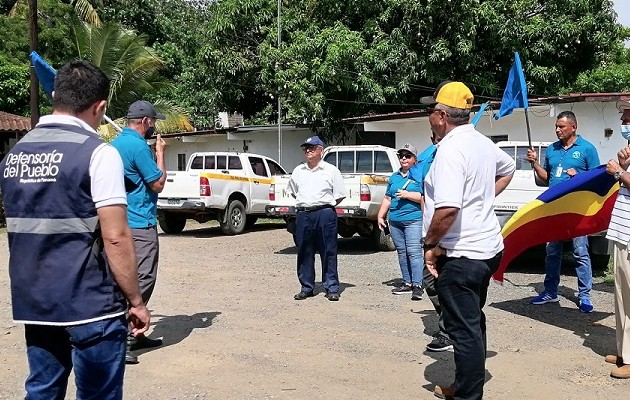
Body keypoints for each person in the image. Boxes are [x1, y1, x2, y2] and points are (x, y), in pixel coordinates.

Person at [0, 60, 150, 399]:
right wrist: (136, 301)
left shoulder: (15, 155)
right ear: (100, 107)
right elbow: (116, 235)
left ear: (55, 96)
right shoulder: (97, 153)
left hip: (35, 303)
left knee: (42, 389)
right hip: (89, 305)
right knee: (98, 393)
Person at [421, 81, 515, 400]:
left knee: (463, 330)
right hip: (485, 251)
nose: (430, 116)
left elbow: (447, 209)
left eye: (432, 110)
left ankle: (467, 396)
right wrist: (482, 199)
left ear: (442, 116)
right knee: (472, 321)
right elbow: (509, 168)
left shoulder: (450, 150)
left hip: (462, 256)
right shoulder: (480, 142)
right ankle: (465, 385)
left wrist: (430, 246)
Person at [525, 111, 600, 313]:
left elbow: (596, 180)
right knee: (552, 252)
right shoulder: (552, 149)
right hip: (555, 209)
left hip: (577, 211)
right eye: (556, 127)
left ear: (574, 127)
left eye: (562, 127)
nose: (558, 130)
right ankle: (550, 292)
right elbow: (545, 179)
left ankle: (584, 295)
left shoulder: (587, 149)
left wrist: (580, 176)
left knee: (580, 252)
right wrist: (535, 164)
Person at [111, 100, 167, 364]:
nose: (153, 126)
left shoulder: (115, 144)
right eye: (153, 122)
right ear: (145, 122)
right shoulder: (138, 146)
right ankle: (122, 337)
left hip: (120, 221)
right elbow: (157, 183)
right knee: (142, 278)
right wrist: (160, 153)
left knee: (124, 275)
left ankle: (136, 332)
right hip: (141, 222)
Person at [289, 135, 347, 301]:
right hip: (303, 214)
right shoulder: (299, 171)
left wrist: (322, 205)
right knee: (304, 251)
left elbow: (339, 195)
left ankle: (331, 287)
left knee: (328, 250)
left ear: (320, 150)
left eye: (312, 148)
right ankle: (306, 287)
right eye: (306, 148)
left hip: (325, 213)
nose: (308, 150)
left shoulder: (331, 170)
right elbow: (294, 191)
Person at [377, 143, 424, 300]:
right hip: (395, 220)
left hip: (413, 219)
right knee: (402, 252)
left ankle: (418, 285)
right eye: (401, 156)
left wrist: (408, 195)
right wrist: (380, 215)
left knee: (414, 252)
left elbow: (426, 197)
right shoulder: (394, 177)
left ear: (415, 159)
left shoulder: (420, 175)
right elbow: (387, 198)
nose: (404, 158)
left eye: (408, 156)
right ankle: (407, 282)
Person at [603, 103, 630, 379]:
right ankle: (624, 352)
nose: (623, 122)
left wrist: (617, 172)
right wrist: (623, 168)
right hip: (623, 232)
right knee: (621, 295)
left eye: (627, 117)